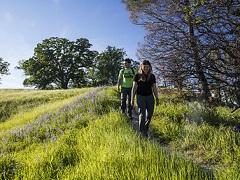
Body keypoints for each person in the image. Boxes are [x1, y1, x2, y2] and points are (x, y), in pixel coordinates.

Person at [131, 60, 159, 137]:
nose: (146, 68)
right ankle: (142, 132)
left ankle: (146, 128)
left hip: (150, 97)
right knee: (142, 114)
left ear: (149, 67)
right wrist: (132, 99)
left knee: (150, 115)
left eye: (147, 67)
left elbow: (154, 87)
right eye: (144, 66)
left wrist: (157, 98)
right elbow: (134, 88)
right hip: (140, 97)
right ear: (141, 67)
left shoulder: (152, 76)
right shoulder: (137, 76)